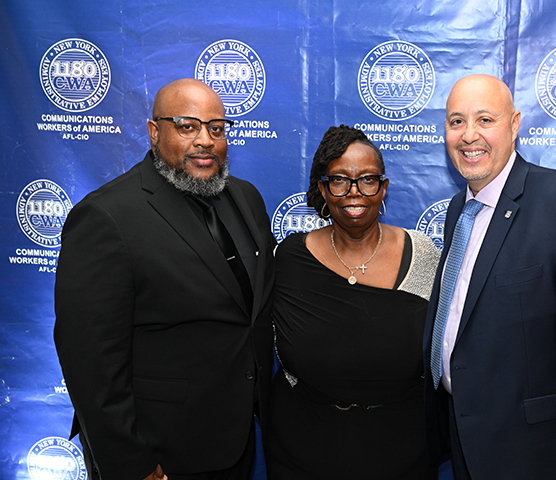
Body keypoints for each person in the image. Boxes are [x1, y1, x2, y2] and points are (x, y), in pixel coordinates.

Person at [54, 78, 276, 480]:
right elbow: (89, 361)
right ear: (155, 131)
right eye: (187, 126)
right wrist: (130, 463)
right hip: (160, 452)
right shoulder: (107, 216)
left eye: (217, 128)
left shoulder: (246, 197)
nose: (205, 140)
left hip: (235, 439)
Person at [423, 74, 556, 480]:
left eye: (485, 120)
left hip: (539, 457)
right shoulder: (458, 211)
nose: (469, 135)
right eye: (456, 122)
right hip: (468, 446)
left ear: (515, 124)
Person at [265, 125, 440, 480]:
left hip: (403, 451)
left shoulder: (423, 254)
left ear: (383, 187)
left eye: (367, 180)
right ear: (323, 189)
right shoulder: (289, 259)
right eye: (340, 180)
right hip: (302, 449)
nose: (354, 192)